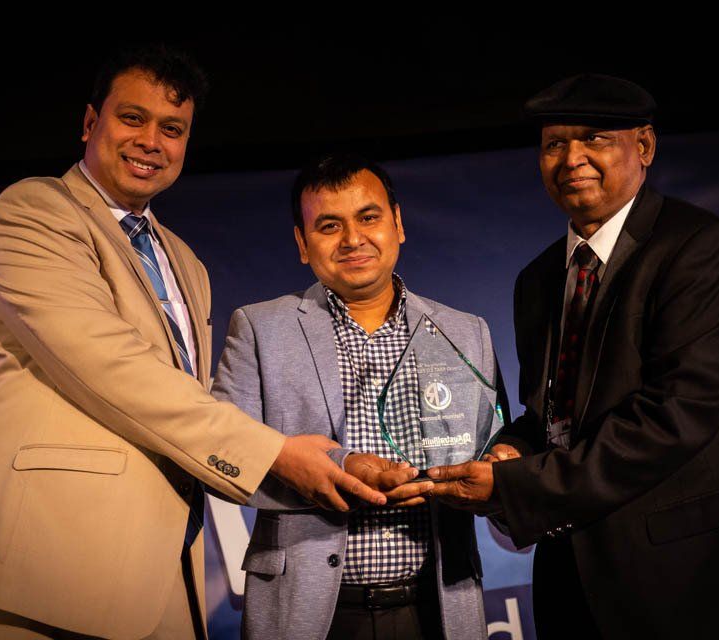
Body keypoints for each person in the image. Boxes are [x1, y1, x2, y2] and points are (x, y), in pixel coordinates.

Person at [0, 45, 388, 640]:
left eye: (172, 129)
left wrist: (337, 463)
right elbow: (113, 369)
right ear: (90, 123)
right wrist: (274, 453)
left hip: (160, 579)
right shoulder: (35, 211)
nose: (152, 140)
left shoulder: (185, 262)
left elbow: (195, 402)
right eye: (132, 118)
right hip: (39, 574)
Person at [427, 74, 719, 639]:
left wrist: (517, 487)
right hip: (578, 584)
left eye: (595, 139)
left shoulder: (700, 248)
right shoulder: (536, 280)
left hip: (699, 585)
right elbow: (554, 418)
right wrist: (511, 451)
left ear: (645, 147)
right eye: (555, 143)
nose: (572, 158)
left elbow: (674, 417)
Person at [211, 153, 503, 640]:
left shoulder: (464, 331)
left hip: (437, 607)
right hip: (310, 613)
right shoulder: (261, 328)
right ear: (303, 244)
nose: (352, 239)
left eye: (369, 217)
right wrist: (331, 472)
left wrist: (500, 462)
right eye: (329, 226)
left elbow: (492, 444)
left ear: (398, 224)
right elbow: (220, 457)